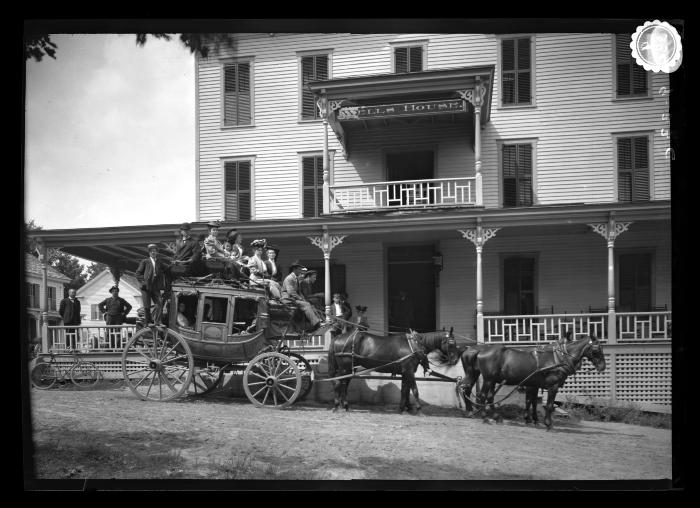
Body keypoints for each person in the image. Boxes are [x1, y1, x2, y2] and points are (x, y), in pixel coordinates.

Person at [280, 260, 322, 332]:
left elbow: (299, 291)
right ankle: (315, 323)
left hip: (293, 299)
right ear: (294, 269)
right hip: (288, 299)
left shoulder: (295, 278)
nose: (300, 271)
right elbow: (291, 292)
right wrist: (300, 299)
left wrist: (302, 298)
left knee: (309, 304)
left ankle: (318, 320)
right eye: (299, 269)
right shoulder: (289, 278)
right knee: (306, 304)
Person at [135, 244, 170, 326]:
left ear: (157, 252)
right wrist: (144, 282)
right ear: (149, 253)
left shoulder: (159, 262)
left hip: (155, 286)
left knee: (160, 302)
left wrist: (174, 264)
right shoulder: (145, 261)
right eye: (152, 251)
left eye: (155, 251)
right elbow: (137, 274)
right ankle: (148, 322)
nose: (154, 252)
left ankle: (157, 321)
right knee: (147, 306)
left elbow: (168, 268)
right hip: (146, 287)